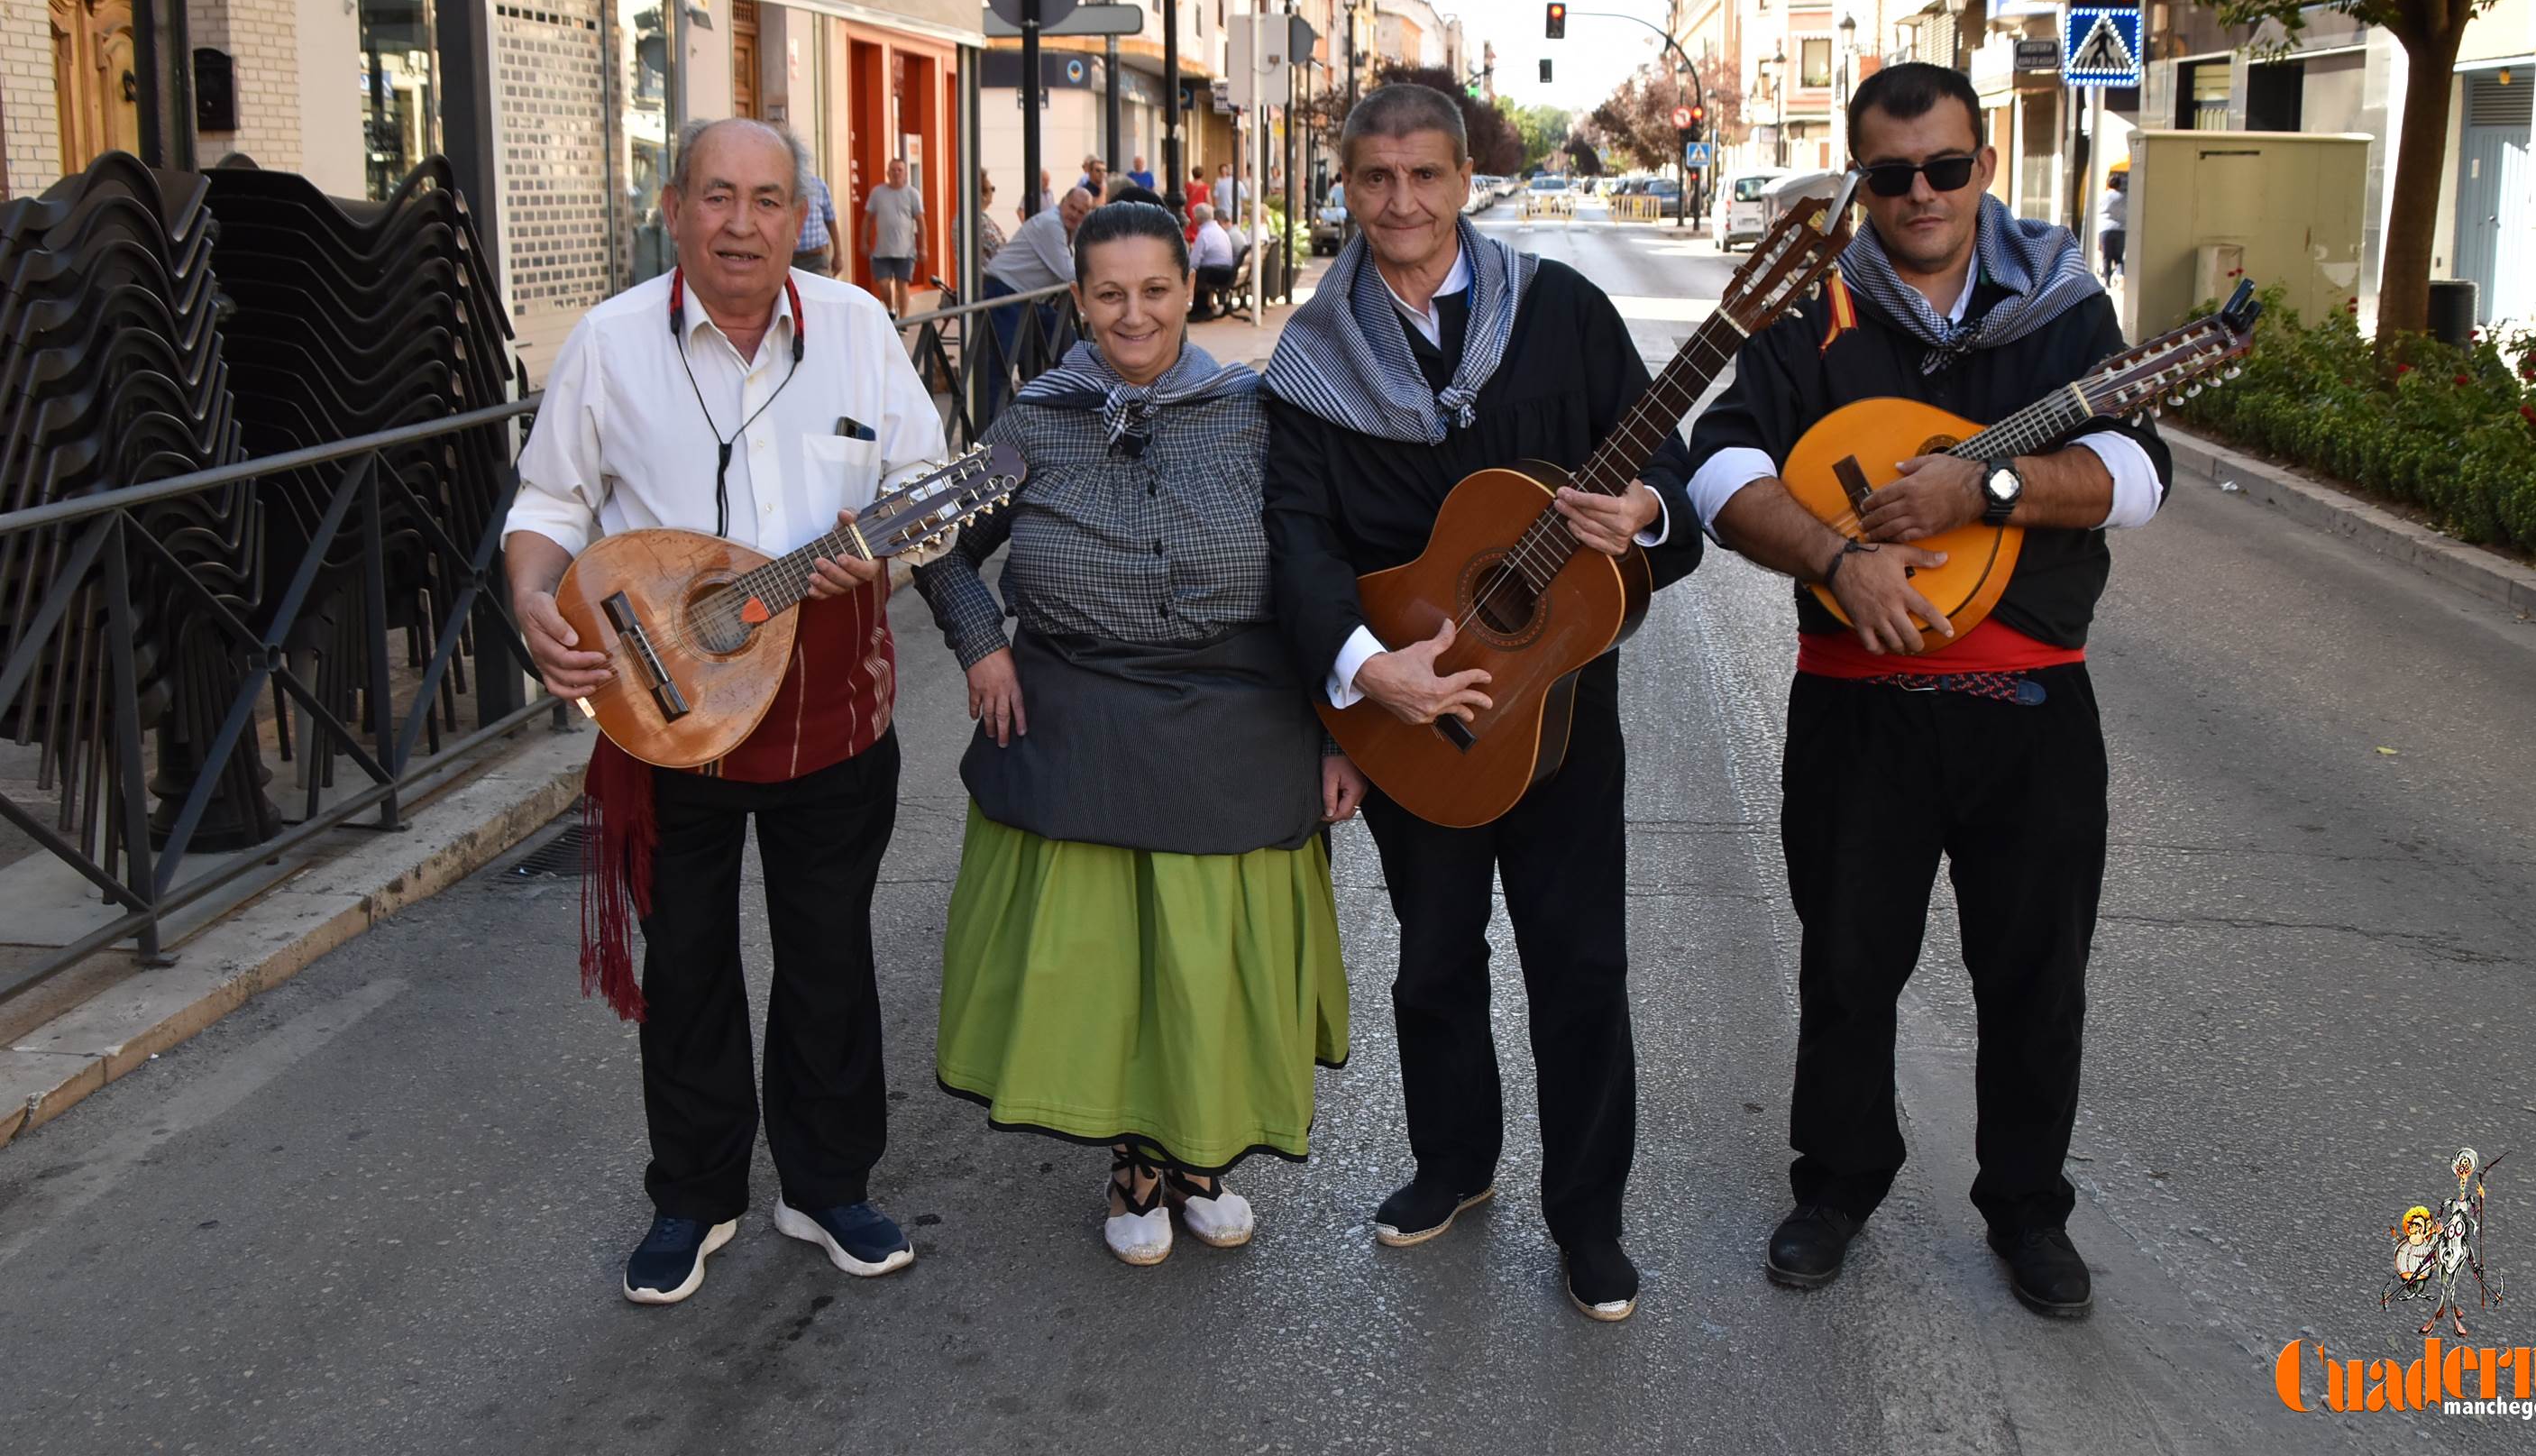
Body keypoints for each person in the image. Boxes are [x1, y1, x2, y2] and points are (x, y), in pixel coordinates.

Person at [1682, 62, 2170, 1320]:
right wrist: (1838, 557)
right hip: (1859, 699)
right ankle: (1836, 1186)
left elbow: (2138, 467)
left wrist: (1986, 489)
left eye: (1945, 167)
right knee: (1848, 968)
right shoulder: (1815, 312)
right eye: (1891, 175)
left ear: (1984, 163)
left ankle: (2028, 1214)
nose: (1922, 194)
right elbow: (1719, 462)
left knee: (2035, 975)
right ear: (1862, 182)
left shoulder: (2062, 303)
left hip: (2031, 702)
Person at [1261, 84, 1702, 1323]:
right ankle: (1453, 1165)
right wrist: (1359, 666)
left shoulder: (1559, 314)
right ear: (1345, 187)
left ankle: (1589, 1220)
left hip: (1561, 717)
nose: (1400, 203)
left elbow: (1659, 464)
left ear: (1465, 178)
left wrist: (1647, 516)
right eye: (1373, 180)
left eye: (1425, 177)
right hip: (1412, 710)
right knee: (1435, 963)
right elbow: (1293, 535)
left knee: (1582, 964)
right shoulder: (1310, 357)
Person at [505, 117, 952, 1307]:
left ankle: (827, 1185)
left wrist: (889, 556)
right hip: (662, 708)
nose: (742, 223)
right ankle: (694, 1195)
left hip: (828, 702)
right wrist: (533, 598)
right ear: (674, 206)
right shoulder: (609, 344)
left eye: (767, 199)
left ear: (800, 215)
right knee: (690, 960)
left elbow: (926, 481)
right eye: (717, 196)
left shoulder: (858, 328)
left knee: (826, 954)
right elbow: (549, 500)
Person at [914, 197, 1363, 1267]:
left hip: (1237, 711)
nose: (1133, 313)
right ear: (1077, 299)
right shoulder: (1032, 416)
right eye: (1108, 293)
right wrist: (983, 644)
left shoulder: (1257, 410)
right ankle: (1135, 1159)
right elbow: (935, 539)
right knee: (1116, 962)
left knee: (1205, 958)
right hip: (1086, 709)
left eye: (1155, 289)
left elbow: (1326, 575)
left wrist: (1347, 734)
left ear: (1186, 290)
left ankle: (1199, 1150)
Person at [982, 185, 1089, 418]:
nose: (1075, 214)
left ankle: (1048, 411)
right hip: (1004, 291)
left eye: (1081, 212)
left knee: (1066, 343)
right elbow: (1068, 272)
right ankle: (990, 429)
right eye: (1072, 207)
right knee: (1002, 361)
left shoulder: (1066, 229)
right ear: (1062, 202)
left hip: (1027, 299)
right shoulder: (1050, 224)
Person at [863, 157, 926, 314]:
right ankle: (891, 309)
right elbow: (868, 218)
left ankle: (903, 320)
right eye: (893, 170)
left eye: (900, 170)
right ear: (888, 173)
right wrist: (863, 241)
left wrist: (923, 247)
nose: (896, 173)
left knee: (902, 284)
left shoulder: (913, 194)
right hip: (882, 250)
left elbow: (921, 222)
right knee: (883, 284)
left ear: (905, 173)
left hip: (905, 250)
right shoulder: (878, 193)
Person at [792, 159, 843, 279]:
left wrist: (838, 254)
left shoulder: (819, 186)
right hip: (790, 260)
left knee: (823, 294)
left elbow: (831, 220)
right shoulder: (785, 186)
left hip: (816, 258)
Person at [1190, 202, 1239, 320]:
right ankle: (1205, 308)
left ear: (1197, 218)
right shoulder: (1220, 231)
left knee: (1194, 273)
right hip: (1226, 272)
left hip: (1214, 273)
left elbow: (1194, 262)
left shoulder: (1204, 233)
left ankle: (1200, 311)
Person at [2098, 167, 2129, 283]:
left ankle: (2107, 282)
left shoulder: (2103, 196)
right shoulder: (2124, 197)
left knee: (2106, 256)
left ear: (2108, 183)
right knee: (2118, 257)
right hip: (2121, 229)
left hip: (2105, 228)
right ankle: (2120, 276)